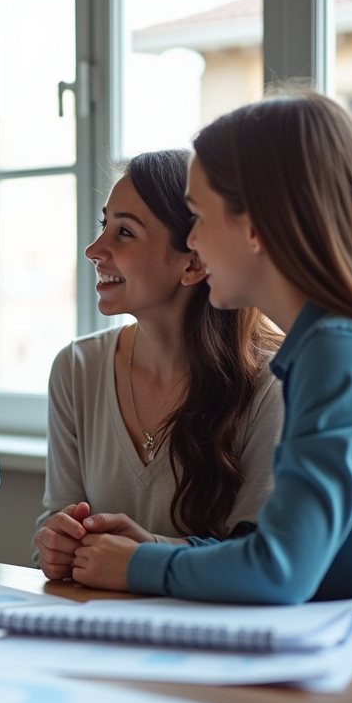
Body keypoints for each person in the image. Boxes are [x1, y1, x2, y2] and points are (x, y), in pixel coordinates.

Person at [72, 92, 352, 627]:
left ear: (254, 227)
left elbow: (279, 572)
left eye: (201, 218)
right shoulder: (332, 343)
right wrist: (166, 550)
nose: (193, 242)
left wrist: (141, 563)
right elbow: (292, 551)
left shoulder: (339, 351)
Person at [34, 149, 283, 582]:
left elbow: (264, 559)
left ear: (193, 262)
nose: (94, 250)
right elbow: (56, 520)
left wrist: (148, 553)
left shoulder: (274, 383)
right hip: (100, 629)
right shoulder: (76, 368)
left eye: (125, 232)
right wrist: (56, 545)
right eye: (103, 225)